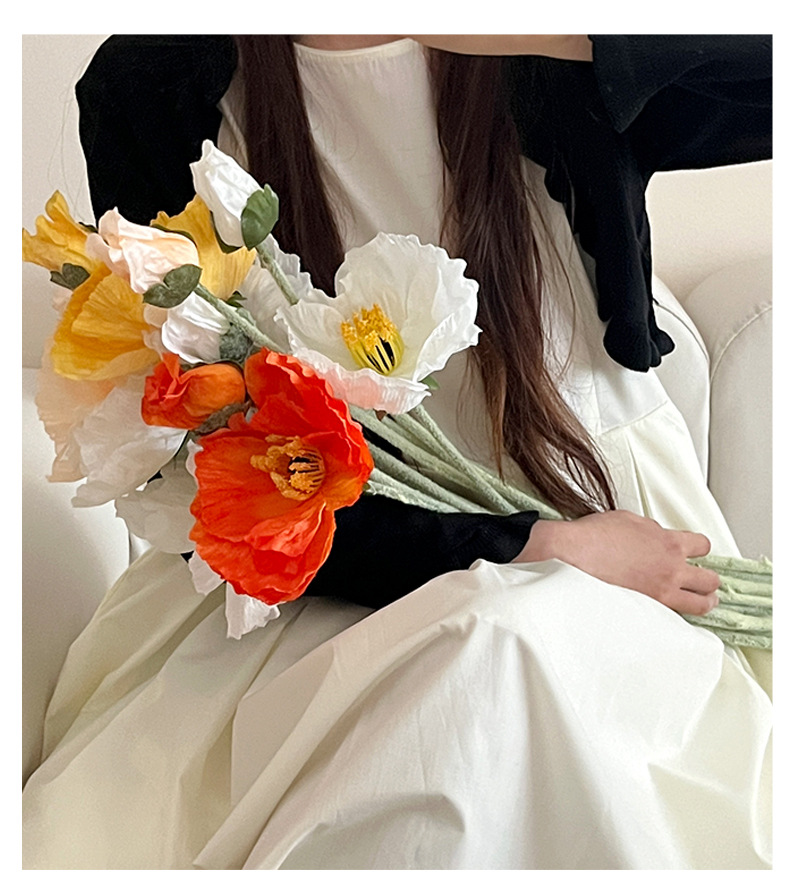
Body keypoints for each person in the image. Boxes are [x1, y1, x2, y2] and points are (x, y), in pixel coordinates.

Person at [22, 35, 772, 869]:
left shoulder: (553, 52)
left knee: (508, 672)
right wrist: (535, 546)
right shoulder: (155, 80)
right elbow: (215, 460)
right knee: (484, 668)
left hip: (617, 534)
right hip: (323, 576)